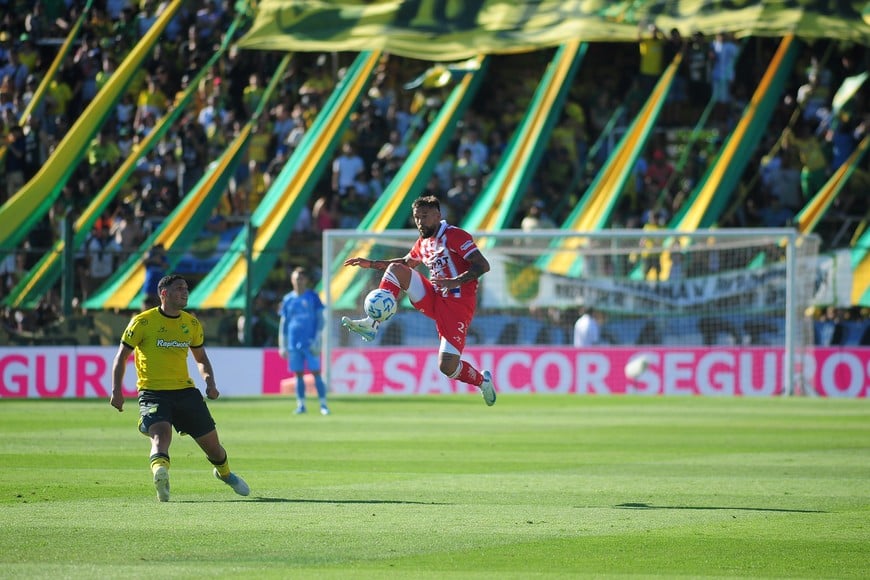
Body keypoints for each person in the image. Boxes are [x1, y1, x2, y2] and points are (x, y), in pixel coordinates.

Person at [341, 195, 497, 406]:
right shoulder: (422, 244)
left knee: (447, 366)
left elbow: (482, 265)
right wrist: (371, 263)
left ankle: (482, 380)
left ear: (438, 215)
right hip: (433, 297)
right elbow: (406, 262)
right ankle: (372, 323)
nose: (420, 222)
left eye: (424, 216)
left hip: (458, 305)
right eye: (416, 217)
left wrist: (455, 282)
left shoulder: (455, 236)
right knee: (396, 270)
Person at [110, 274, 250, 502]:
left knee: (213, 448)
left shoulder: (191, 323)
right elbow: (121, 357)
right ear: (163, 293)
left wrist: (210, 383)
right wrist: (117, 390)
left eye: (186, 288)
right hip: (152, 392)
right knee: (160, 436)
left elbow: (201, 358)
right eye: (178, 288)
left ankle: (225, 475)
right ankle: (160, 475)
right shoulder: (142, 322)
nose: (185, 292)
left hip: (185, 393)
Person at [278, 267, 330, 415]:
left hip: (310, 342)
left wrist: (318, 338)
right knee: (298, 374)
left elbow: (321, 319)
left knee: (316, 373)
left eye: (301, 278)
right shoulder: (288, 299)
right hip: (293, 343)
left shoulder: (312, 297)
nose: (298, 281)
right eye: (296, 278)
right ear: (292, 280)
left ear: (305, 280)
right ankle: (301, 405)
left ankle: (323, 404)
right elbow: (284, 323)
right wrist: (282, 344)